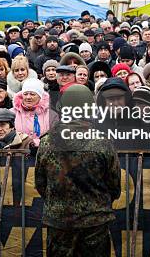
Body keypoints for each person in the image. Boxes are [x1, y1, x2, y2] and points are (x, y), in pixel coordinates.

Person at [36, 84, 120, 257]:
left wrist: (58, 203)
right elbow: (114, 185)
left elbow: (40, 183)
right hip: (94, 221)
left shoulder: (46, 142)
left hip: (59, 221)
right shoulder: (102, 142)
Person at [13, 79, 50, 146]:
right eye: (25, 94)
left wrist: (36, 143)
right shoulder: (12, 113)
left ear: (40, 97)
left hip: (43, 153)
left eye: (32, 94)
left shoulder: (51, 114)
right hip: (19, 153)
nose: (28, 97)